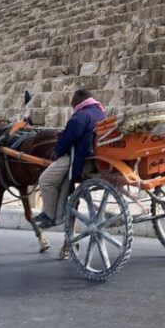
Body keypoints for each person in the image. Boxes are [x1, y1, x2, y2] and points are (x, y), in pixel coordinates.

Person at [33, 89, 106, 229]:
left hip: (78, 157)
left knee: (45, 180)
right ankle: (57, 214)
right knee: (59, 180)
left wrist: (57, 151)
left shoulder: (81, 116)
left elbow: (68, 139)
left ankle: (49, 214)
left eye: (73, 100)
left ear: (79, 100)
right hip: (92, 154)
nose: (72, 103)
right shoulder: (99, 112)